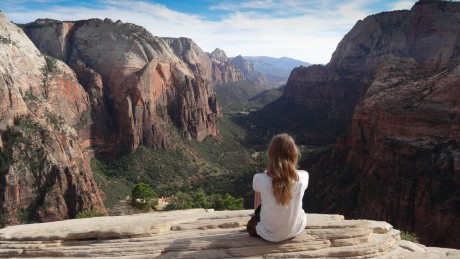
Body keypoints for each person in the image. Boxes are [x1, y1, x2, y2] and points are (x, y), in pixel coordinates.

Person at [247, 133, 309, 242]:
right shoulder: (303, 176)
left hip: (266, 233)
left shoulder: (259, 178)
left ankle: (258, 218)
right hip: (294, 230)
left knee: (259, 192)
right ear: (294, 154)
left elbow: (260, 194)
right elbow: (288, 177)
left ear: (270, 154)